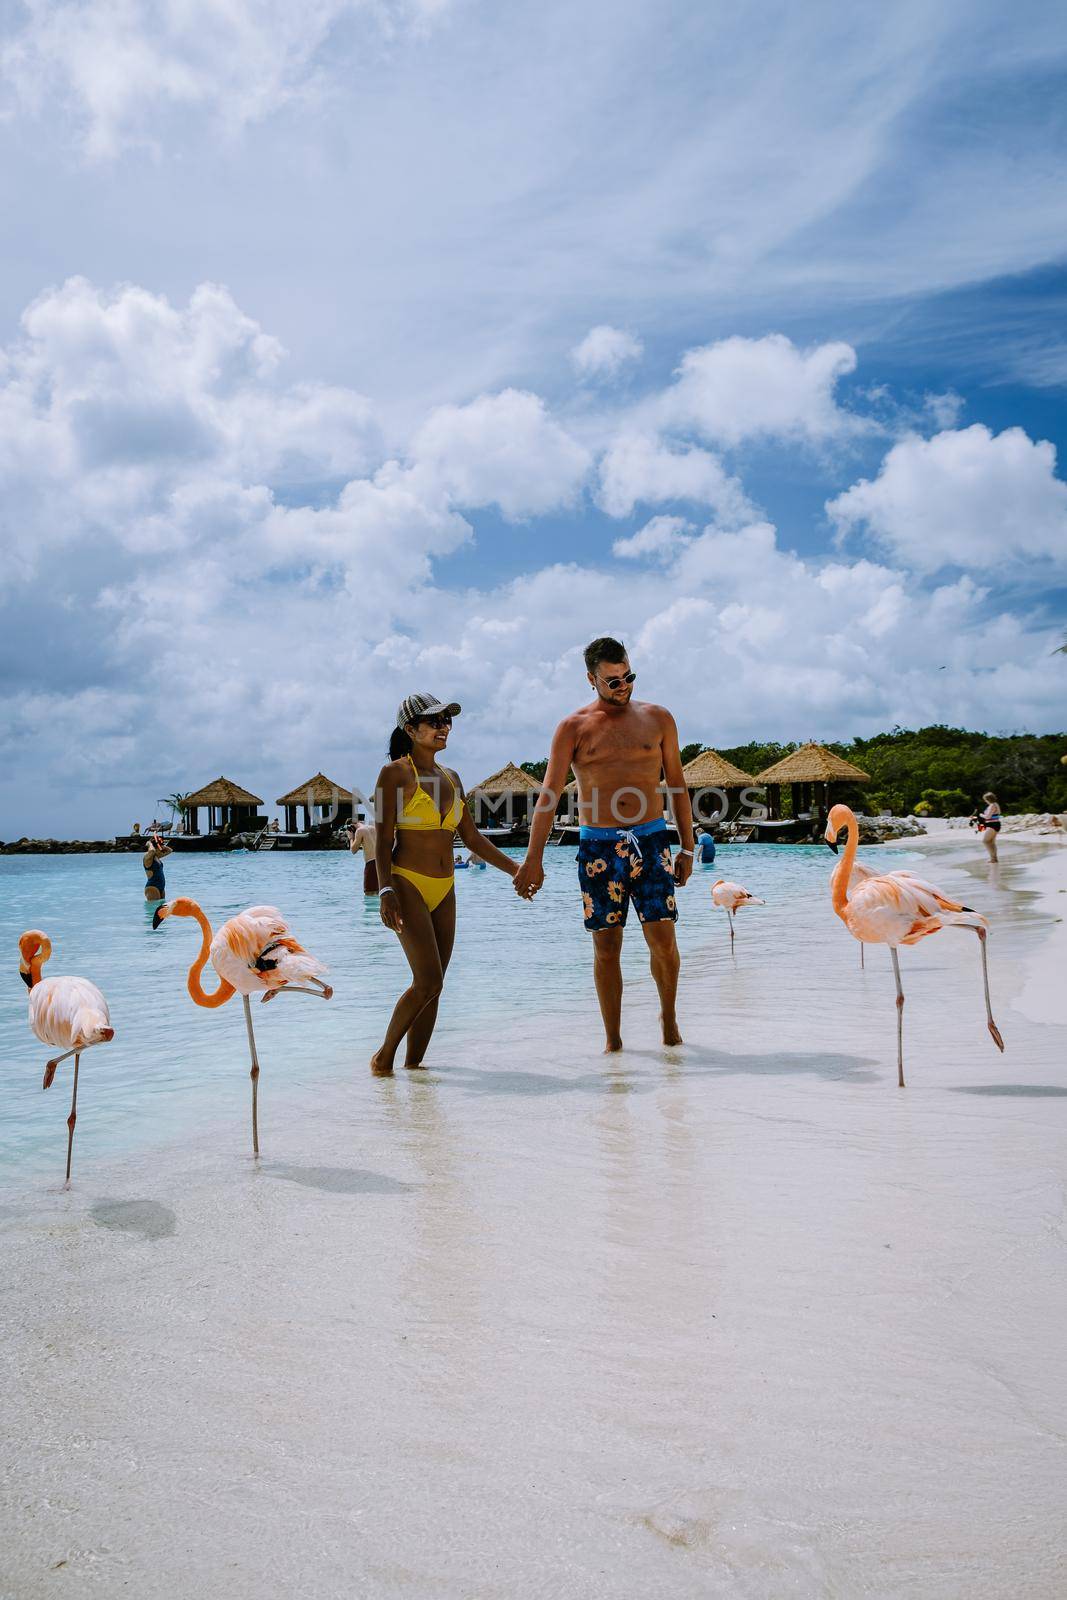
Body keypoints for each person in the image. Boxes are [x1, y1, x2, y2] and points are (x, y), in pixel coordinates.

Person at [514, 636, 695, 1052]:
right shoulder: (573, 727)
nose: (623, 686)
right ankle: (613, 1040)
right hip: (598, 849)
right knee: (606, 945)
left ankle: (669, 1021)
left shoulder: (659, 718)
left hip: (651, 840)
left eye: (628, 677)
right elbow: (549, 795)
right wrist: (532, 858)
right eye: (612, 681)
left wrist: (686, 847)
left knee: (663, 940)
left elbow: (678, 786)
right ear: (591, 679)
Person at [371, 692, 530, 1075]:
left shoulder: (452, 778)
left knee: (436, 985)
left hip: (445, 888)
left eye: (447, 720)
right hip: (406, 882)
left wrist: (516, 870)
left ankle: (414, 1071)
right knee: (427, 980)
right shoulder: (394, 774)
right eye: (435, 721)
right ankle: (383, 1060)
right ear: (411, 729)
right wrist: (386, 890)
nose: (445, 727)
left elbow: (472, 840)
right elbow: (381, 838)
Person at [348, 814, 379, 895]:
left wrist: (351, 838)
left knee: (370, 893)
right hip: (381, 863)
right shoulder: (373, 828)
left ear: (352, 826)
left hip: (371, 864)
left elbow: (353, 850)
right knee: (380, 892)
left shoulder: (360, 831)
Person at [142, 832, 172, 903]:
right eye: (160, 847)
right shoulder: (147, 857)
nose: (161, 849)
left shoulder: (156, 857)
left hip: (161, 887)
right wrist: (150, 843)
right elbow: (152, 851)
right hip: (152, 887)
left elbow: (170, 850)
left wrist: (160, 844)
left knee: (162, 911)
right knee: (153, 911)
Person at [978, 791, 1002, 863]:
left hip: (992, 825)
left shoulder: (992, 805)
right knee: (991, 842)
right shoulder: (996, 804)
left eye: (985, 799)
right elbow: (998, 813)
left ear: (988, 799)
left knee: (985, 841)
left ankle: (993, 858)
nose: (985, 801)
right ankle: (994, 859)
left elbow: (988, 817)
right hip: (995, 824)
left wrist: (981, 815)